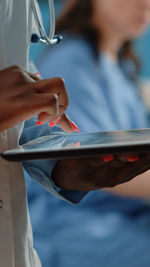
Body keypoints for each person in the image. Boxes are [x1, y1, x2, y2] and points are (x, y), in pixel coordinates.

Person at [2, 1, 149, 267]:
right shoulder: (73, 60)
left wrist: (63, 167)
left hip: (115, 213)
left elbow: (36, 136)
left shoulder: (122, 70)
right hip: (80, 221)